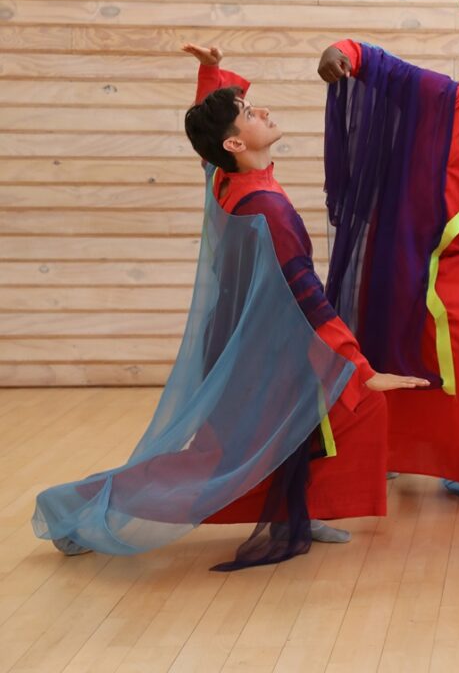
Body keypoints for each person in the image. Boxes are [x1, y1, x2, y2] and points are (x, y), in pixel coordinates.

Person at [32, 44, 425, 569]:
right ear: (238, 142)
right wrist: (359, 367)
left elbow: (209, 143)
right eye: (246, 111)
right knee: (217, 464)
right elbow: (305, 294)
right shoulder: (265, 208)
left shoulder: (228, 176)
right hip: (261, 354)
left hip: (257, 343)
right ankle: (75, 505)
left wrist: (212, 75)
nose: (259, 108)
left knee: (301, 437)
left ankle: (294, 515)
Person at [317, 41, 459, 517]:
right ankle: (387, 453)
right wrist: (342, 54)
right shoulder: (442, 98)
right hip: (396, 258)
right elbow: (379, 65)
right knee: (387, 359)